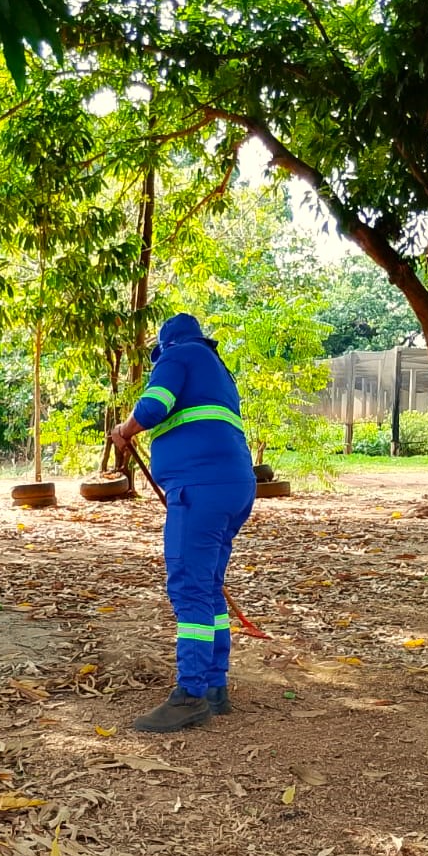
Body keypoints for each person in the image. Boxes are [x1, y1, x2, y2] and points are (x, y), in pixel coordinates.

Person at [110, 313, 256, 733]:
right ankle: (215, 686)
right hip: (234, 486)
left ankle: (190, 694)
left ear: (165, 346)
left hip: (199, 488)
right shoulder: (218, 371)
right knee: (208, 586)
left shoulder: (177, 357)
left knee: (190, 587)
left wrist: (126, 427)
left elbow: (154, 406)